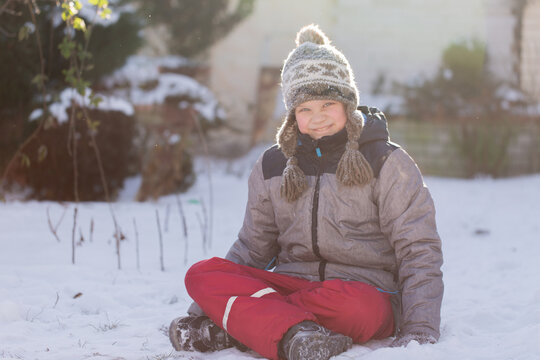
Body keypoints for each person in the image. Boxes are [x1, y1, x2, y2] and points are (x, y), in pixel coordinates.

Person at [168, 24, 444, 360]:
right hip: (292, 284)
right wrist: (205, 307)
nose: (318, 118)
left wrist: (420, 330)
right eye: (305, 109)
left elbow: (419, 249)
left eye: (328, 103)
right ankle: (295, 334)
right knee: (202, 274)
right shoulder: (273, 165)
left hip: (363, 292)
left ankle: (246, 324)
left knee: (359, 309)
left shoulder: (386, 162)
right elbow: (253, 247)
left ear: (348, 103)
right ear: (292, 115)